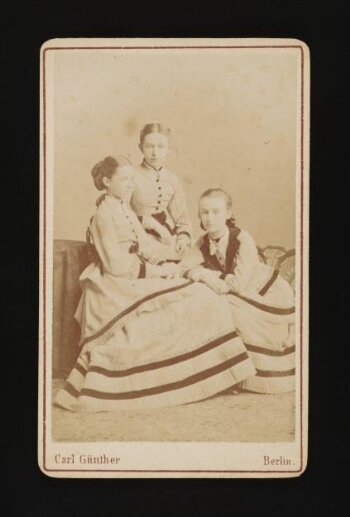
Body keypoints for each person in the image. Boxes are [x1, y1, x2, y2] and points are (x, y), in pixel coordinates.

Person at [55, 158, 256, 412]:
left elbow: (147, 247)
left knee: (199, 293)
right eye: (124, 180)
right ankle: (173, 377)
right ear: (107, 182)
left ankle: (207, 372)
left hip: (135, 274)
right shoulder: (103, 215)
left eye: (132, 179)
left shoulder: (124, 208)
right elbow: (116, 266)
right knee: (188, 300)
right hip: (113, 284)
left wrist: (174, 251)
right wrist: (158, 271)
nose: (131, 185)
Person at [185, 188, 295, 394]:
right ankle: (226, 372)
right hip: (237, 293)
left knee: (233, 312)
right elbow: (186, 268)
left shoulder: (243, 239)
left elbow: (238, 285)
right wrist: (198, 272)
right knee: (212, 306)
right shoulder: (202, 243)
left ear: (228, 214)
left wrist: (207, 275)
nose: (209, 218)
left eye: (216, 212)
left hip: (264, 292)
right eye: (204, 212)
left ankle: (247, 374)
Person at [131, 122, 192, 261]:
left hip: (164, 238)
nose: (154, 152)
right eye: (149, 146)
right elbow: (120, 213)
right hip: (136, 236)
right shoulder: (131, 176)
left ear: (169, 149)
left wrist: (182, 239)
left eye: (161, 146)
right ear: (140, 147)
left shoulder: (172, 180)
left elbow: (182, 219)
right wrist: (150, 223)